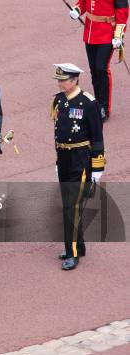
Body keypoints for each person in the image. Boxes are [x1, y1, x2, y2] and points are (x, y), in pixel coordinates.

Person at [70, 0, 128, 121]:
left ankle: (104, 107)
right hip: (90, 32)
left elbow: (122, 11)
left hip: (107, 33)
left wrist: (118, 35)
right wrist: (76, 10)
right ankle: (97, 102)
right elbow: (83, 2)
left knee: (102, 68)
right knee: (94, 70)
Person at [51, 63, 105, 270]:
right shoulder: (59, 100)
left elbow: (97, 138)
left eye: (63, 80)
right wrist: (58, 160)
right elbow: (58, 133)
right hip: (64, 157)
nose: (59, 83)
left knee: (71, 206)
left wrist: (97, 167)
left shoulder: (89, 104)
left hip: (81, 159)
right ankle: (78, 245)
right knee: (67, 203)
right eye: (59, 79)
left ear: (74, 80)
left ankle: (72, 252)